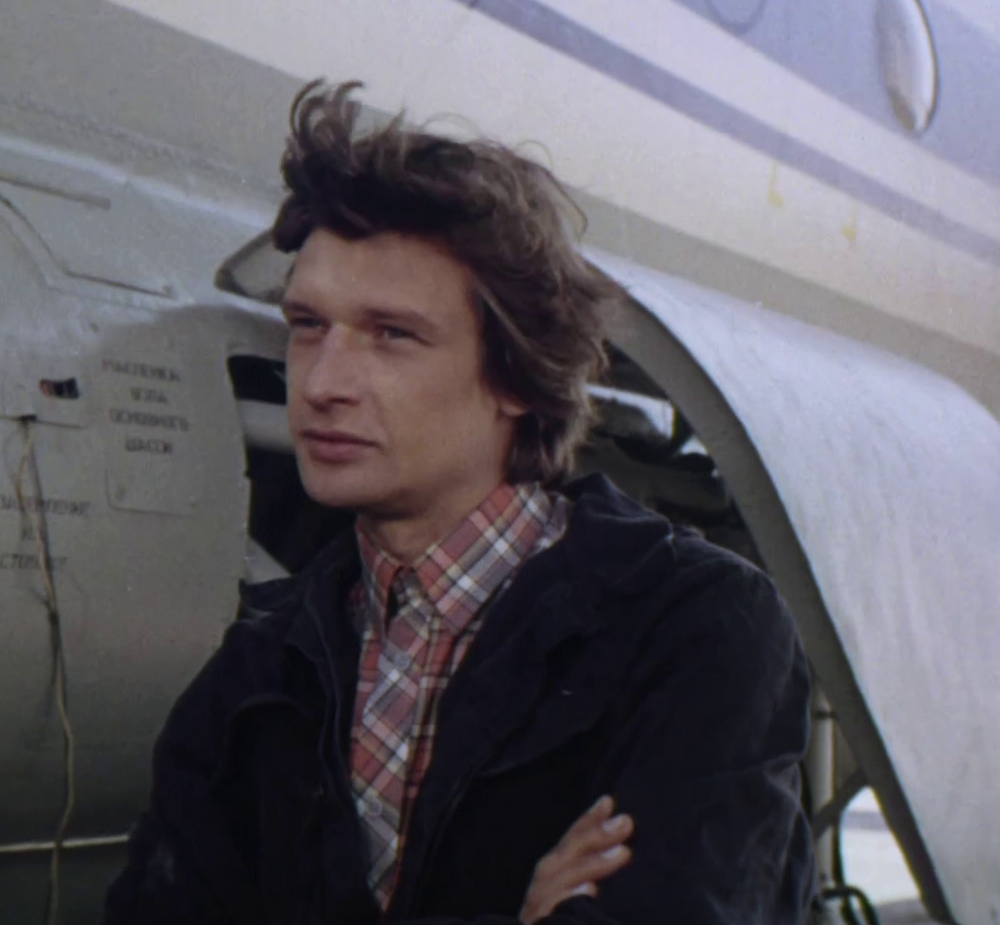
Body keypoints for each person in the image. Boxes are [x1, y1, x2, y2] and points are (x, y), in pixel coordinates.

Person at [104, 81, 815, 924]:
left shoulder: (698, 629)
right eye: (308, 325)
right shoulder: (255, 674)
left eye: (392, 335)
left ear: (517, 374)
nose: (323, 383)